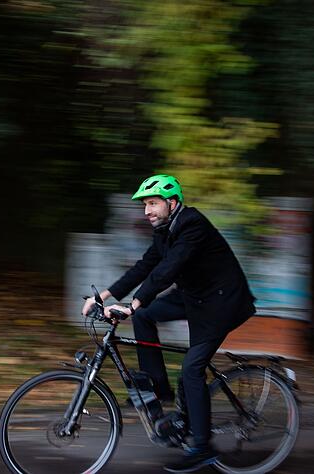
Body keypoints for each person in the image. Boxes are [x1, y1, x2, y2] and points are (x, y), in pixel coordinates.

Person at [81, 174, 255, 473]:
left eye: (152, 203)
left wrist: (133, 305)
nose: (146, 211)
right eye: (144, 205)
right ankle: (158, 388)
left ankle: (202, 448)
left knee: (191, 370)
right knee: (147, 317)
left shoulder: (192, 225)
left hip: (221, 303)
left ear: (172, 203)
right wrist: (105, 295)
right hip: (193, 296)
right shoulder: (163, 230)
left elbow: (168, 269)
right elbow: (146, 266)